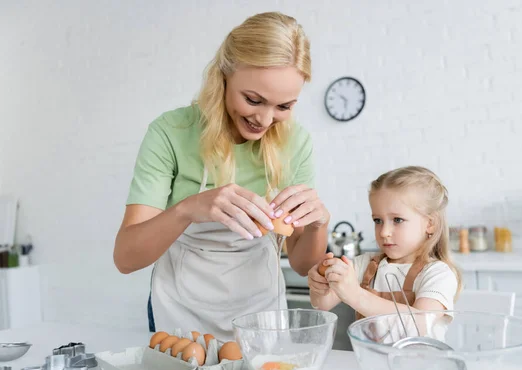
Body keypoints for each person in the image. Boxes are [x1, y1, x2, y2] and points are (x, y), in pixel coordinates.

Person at [113, 12, 330, 340]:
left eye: (283, 106)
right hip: (180, 309)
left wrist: (318, 225)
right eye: (253, 100)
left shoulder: (296, 143)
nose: (265, 119)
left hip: (259, 308)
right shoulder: (171, 133)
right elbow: (126, 258)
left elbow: (302, 264)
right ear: (224, 77)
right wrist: (189, 208)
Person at [308, 166, 461, 325]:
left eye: (397, 220)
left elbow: (421, 324)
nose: (384, 232)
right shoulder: (364, 265)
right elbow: (322, 305)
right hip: (367, 351)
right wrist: (319, 288)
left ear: (430, 224)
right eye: (378, 221)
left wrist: (357, 296)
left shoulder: (438, 273)